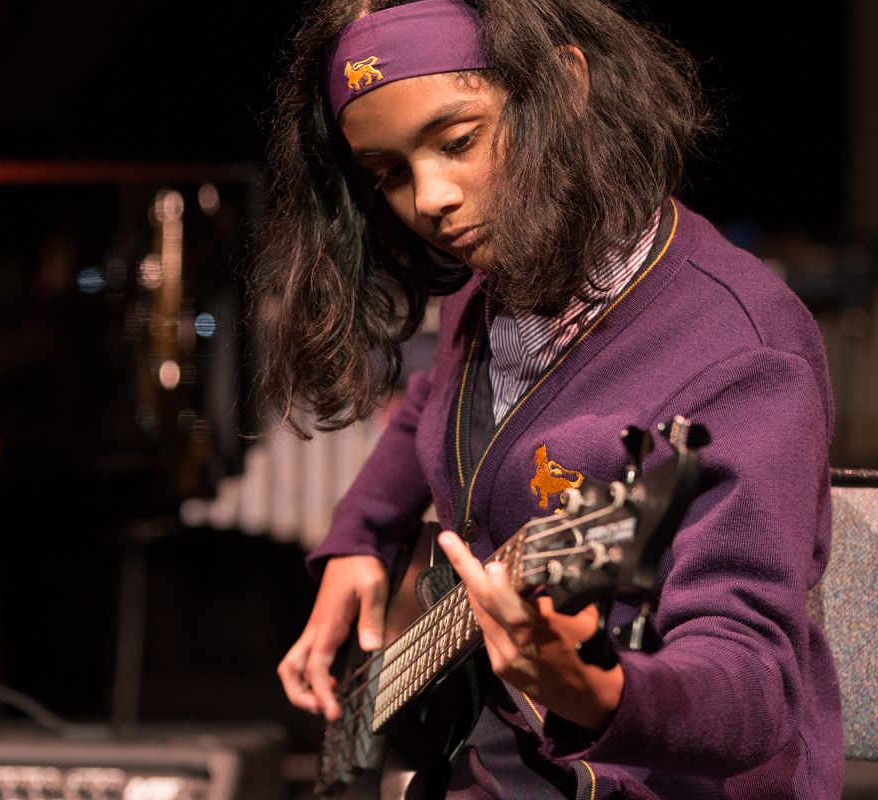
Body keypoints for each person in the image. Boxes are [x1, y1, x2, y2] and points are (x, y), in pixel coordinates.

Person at [251, 0, 843, 796]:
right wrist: (360, 536)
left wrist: (598, 692)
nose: (429, 198)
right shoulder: (492, 287)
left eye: (458, 141)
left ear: (565, 85)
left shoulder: (742, 352)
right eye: (388, 173)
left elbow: (754, 685)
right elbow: (434, 403)